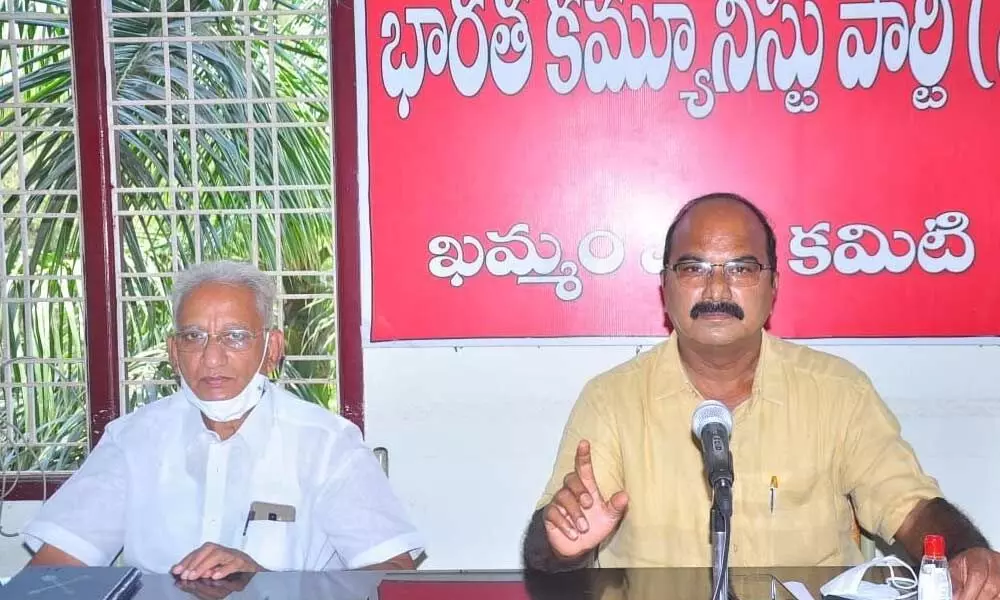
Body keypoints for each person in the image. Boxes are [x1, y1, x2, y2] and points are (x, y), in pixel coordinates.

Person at [522, 193, 999, 599]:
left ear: (773, 288)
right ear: (664, 288)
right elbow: (549, 545)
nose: (716, 288)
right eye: (694, 268)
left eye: (741, 269)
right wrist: (564, 545)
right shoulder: (612, 400)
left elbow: (911, 508)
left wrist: (965, 552)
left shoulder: (837, 392)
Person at [23, 260, 423, 577]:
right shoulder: (133, 441)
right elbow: (54, 571)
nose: (211, 359)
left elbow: (390, 575)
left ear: (272, 348)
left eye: (235, 337)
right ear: (173, 351)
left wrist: (267, 582)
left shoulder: (326, 444)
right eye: (194, 337)